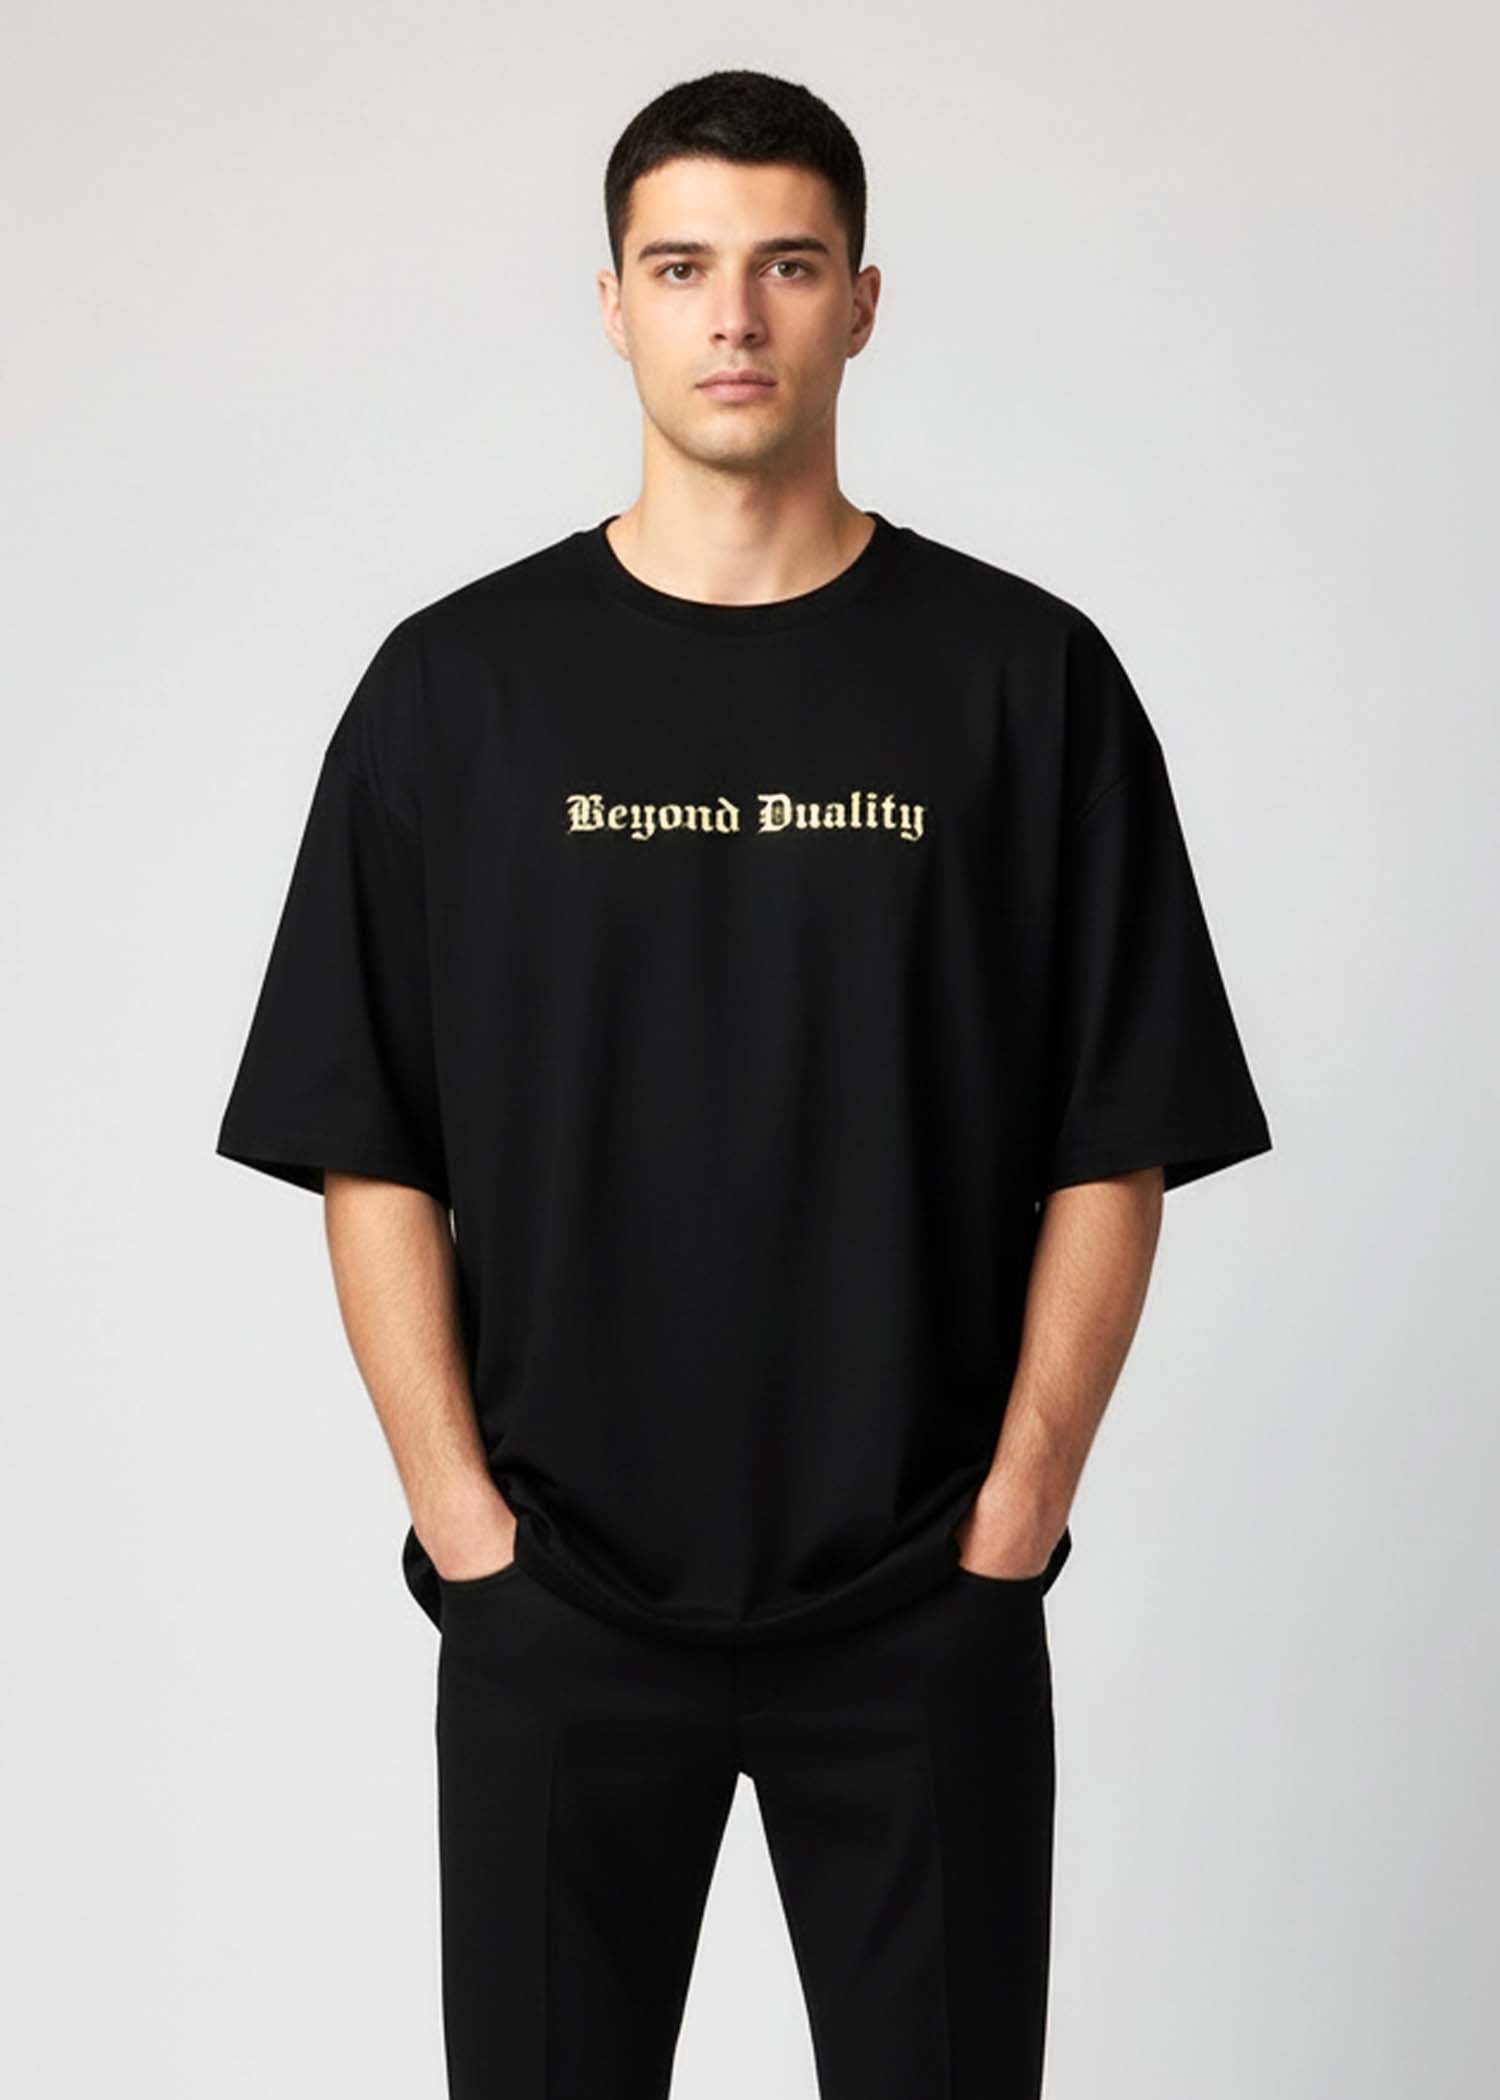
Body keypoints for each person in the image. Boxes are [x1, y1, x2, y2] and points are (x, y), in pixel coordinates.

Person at [215, 66, 1272, 2100]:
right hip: (555, 1595)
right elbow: (367, 1137)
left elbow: (1117, 1128)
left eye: (787, 266)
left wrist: (1021, 1508)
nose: (734, 317)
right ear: (610, 304)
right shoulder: (457, 690)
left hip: (923, 1592)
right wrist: (461, 1525)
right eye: (683, 266)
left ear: (861, 304)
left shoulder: (1023, 679)